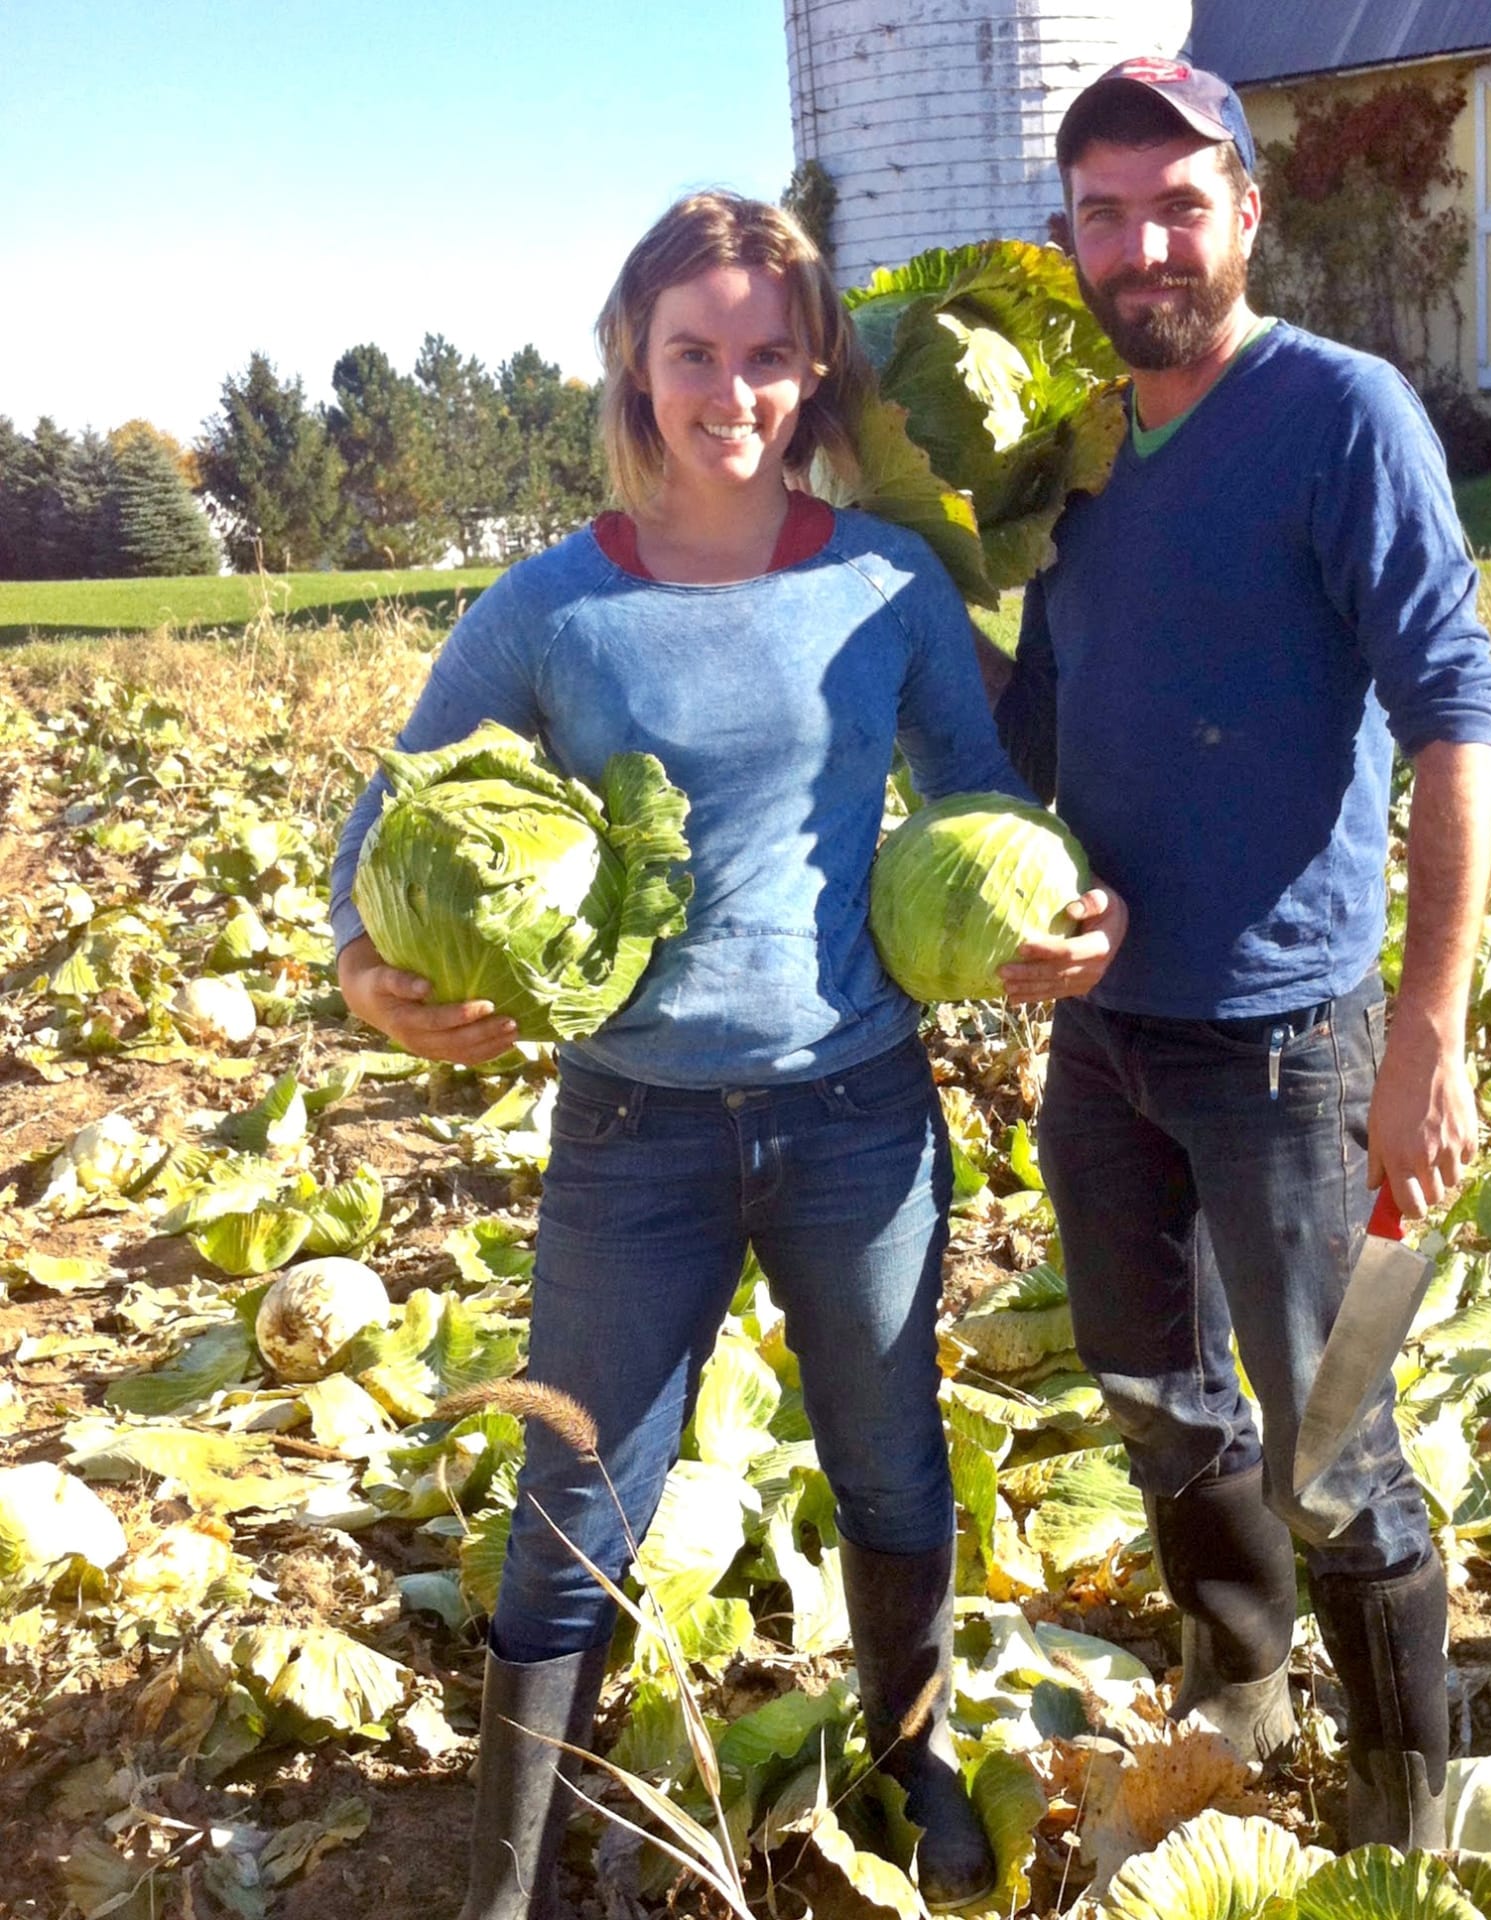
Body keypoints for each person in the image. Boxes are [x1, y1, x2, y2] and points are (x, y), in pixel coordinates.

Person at [329, 191, 1124, 1919]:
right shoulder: (554, 609)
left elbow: (977, 791)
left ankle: (912, 1769)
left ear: (815, 365)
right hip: (635, 1130)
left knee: (893, 1459)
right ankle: (512, 1879)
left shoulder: (883, 577)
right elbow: (392, 806)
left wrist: (1037, 917)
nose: (734, 390)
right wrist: (361, 971)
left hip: (858, 1109)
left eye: (770, 354)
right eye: (697, 352)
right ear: (636, 362)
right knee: (573, 1507)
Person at [992, 60, 1491, 1851]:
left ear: (1246, 213)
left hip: (1296, 1040)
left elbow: (1455, 713)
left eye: (1179, 203)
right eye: (1109, 215)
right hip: (1107, 1039)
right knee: (1152, 1388)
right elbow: (1041, 733)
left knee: (1337, 1443)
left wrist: (1428, 1031)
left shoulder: (1340, 414)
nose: (1146, 245)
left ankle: (1408, 1792)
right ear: (1072, 243)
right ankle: (1240, 1674)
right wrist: (1007, 893)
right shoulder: (1075, 453)